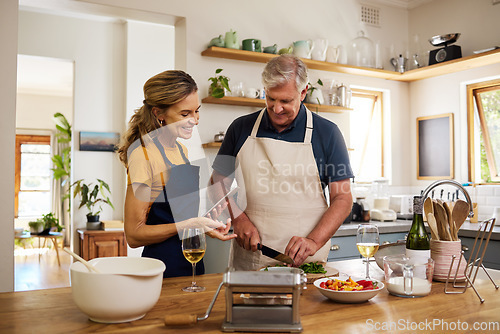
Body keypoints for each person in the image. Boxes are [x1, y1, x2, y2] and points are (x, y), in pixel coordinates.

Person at [210, 55, 353, 270]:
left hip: (305, 263)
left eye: (286, 101)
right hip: (251, 260)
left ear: (303, 92)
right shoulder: (240, 128)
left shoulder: (328, 133)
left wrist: (314, 241)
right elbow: (218, 181)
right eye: (271, 99)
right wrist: (238, 218)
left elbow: (342, 197)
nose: (277, 109)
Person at [118, 70, 236, 278]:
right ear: (158, 114)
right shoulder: (144, 155)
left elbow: (176, 217)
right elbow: (134, 234)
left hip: (192, 264)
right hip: (162, 269)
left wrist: (204, 224)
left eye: (197, 111)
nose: (195, 120)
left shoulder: (181, 150)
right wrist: (190, 224)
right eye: (185, 114)